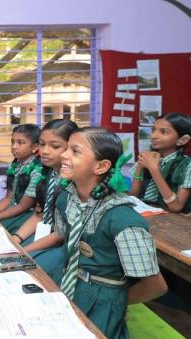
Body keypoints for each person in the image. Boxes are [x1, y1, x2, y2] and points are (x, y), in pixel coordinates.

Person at [55, 127, 167, 338]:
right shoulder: (65, 198)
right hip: (69, 281)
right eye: (66, 148)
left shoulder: (123, 221)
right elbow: (65, 239)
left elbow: (155, 286)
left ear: (101, 166)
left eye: (75, 151)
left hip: (104, 297)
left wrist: (115, 302)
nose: (63, 155)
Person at [10, 119, 78, 283]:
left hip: (65, 244)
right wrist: (16, 239)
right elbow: (38, 215)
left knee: (23, 270)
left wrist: (23, 250)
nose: (45, 151)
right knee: (9, 251)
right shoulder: (47, 174)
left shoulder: (74, 182)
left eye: (55, 146)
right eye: (42, 144)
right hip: (46, 232)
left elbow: (60, 234)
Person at [129, 112, 191, 213]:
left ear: (182, 140)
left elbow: (176, 207)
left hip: (177, 221)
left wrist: (154, 169)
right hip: (148, 214)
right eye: (153, 130)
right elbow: (133, 196)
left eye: (163, 132)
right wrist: (140, 166)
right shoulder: (148, 157)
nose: (153, 136)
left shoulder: (187, 165)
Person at [0, 124, 41, 234]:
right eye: (12, 142)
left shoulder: (37, 170)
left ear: (35, 147)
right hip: (13, 210)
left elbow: (23, 206)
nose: (14, 146)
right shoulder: (17, 164)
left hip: (27, 215)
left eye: (20, 143)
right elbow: (8, 199)